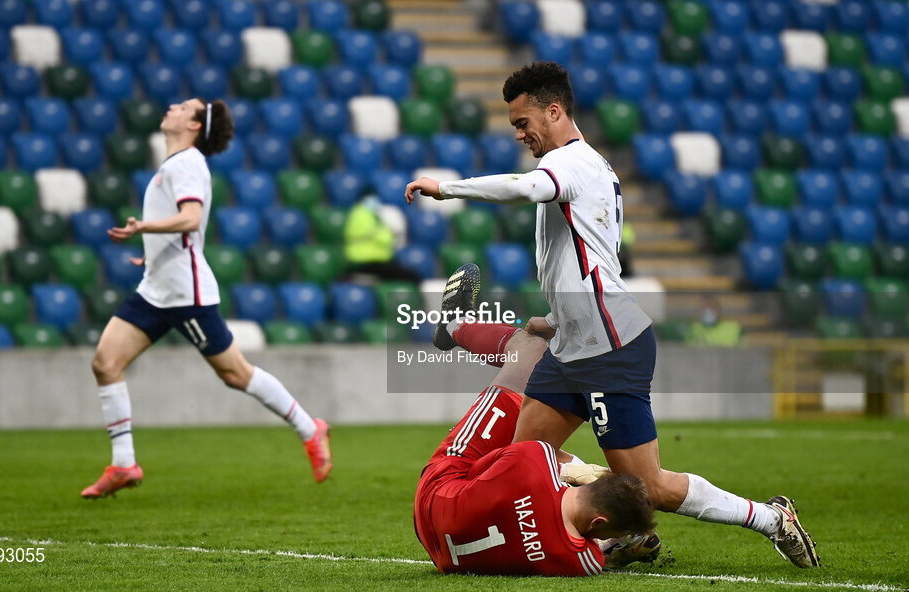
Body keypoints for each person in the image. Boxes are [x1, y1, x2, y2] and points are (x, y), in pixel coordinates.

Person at [406, 63, 819, 569]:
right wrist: (559, 318)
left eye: (523, 122)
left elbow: (524, 189)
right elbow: (588, 260)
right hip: (575, 343)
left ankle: (770, 518)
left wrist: (446, 189)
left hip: (609, 348)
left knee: (652, 488)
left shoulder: (573, 164)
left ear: (554, 110)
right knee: (516, 464)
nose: (519, 134)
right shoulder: (581, 169)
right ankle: (614, 533)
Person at [81, 98, 332, 498]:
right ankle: (124, 463)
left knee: (235, 373)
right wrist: (152, 246)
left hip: (185, 292)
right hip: (157, 286)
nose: (172, 107)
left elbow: (191, 218)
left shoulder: (187, 163)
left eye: (183, 107)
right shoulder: (176, 164)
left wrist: (145, 226)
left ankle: (309, 427)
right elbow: (184, 228)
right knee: (105, 363)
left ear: (195, 125)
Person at [415, 266, 657, 575]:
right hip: (442, 550)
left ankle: (454, 326)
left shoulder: (535, 459)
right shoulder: (581, 561)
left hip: (438, 490)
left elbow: (484, 467)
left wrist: (577, 471)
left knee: (531, 348)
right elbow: (594, 548)